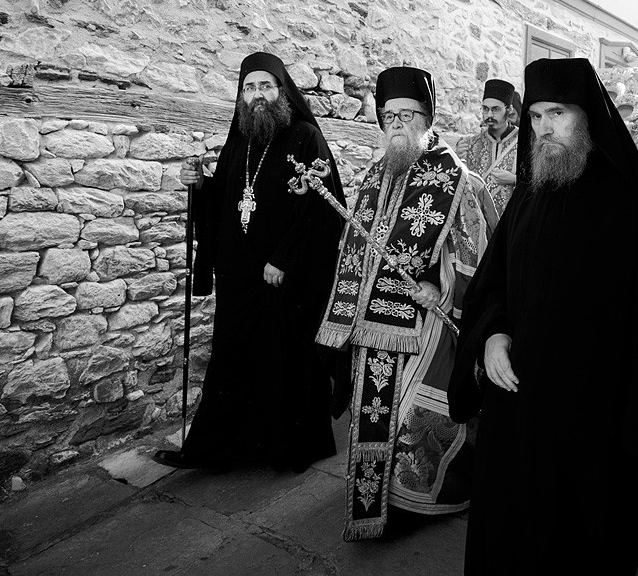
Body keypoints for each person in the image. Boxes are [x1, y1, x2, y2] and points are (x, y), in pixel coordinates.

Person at [449, 57, 638, 575]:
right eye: (536, 115)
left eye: (557, 114)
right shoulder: (530, 193)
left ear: (586, 117)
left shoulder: (630, 201)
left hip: (594, 419)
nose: (543, 128)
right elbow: (492, 283)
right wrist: (492, 335)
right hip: (517, 409)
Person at [316, 66, 493, 541]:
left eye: (407, 115)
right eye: (388, 116)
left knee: (412, 414)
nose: (396, 124)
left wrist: (440, 287)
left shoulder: (457, 179)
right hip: (372, 324)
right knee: (374, 414)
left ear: (427, 119)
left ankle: (417, 503)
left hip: (427, 324)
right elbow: (355, 245)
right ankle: (377, 501)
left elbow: (477, 256)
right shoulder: (376, 174)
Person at [154, 52, 346, 472]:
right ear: (241, 96)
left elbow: (320, 209)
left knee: (283, 359)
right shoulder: (239, 138)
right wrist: (199, 185)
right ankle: (217, 449)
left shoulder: (306, 136)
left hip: (283, 277)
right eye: (249, 87)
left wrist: (283, 259)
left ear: (282, 91)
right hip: (240, 273)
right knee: (233, 358)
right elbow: (226, 198)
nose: (257, 95)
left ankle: (288, 448)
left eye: (265, 86)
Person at [457, 78, 520, 222]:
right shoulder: (472, 143)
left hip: (512, 222)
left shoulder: (526, 142)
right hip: (481, 223)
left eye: (495, 109)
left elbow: (539, 184)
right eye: (485, 109)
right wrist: (459, 159)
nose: (489, 115)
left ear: (509, 110)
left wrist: (515, 180)